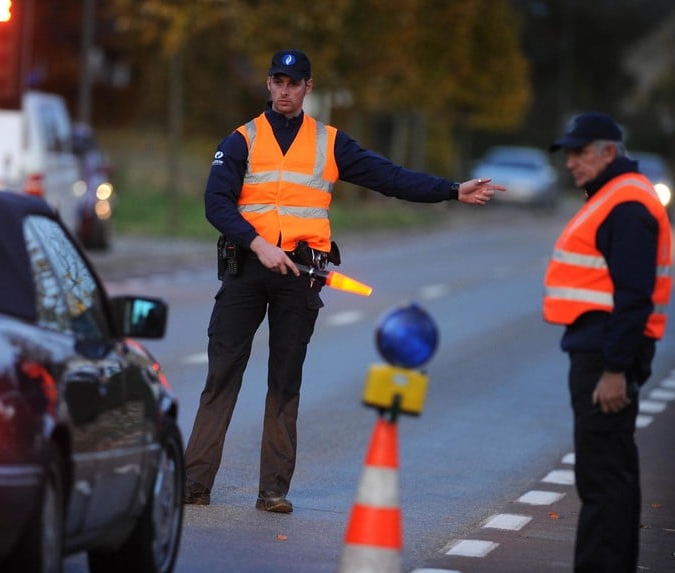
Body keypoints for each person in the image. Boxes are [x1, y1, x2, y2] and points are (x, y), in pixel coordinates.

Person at [183, 48, 506, 514]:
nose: (285, 91)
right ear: (268, 85)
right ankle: (194, 484)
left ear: (309, 88)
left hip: (301, 274)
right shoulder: (241, 140)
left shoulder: (329, 142)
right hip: (248, 269)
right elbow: (217, 204)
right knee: (221, 376)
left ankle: (273, 490)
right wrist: (258, 244)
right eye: (278, 81)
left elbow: (390, 178)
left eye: (294, 83)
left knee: (285, 382)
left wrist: (452, 190)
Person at [539, 112, 673, 573]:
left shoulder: (627, 202)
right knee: (607, 474)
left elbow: (633, 297)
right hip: (599, 351)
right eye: (568, 153)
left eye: (579, 152)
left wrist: (615, 370)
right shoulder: (619, 197)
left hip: (605, 357)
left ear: (607, 153)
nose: (571, 162)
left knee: (605, 478)